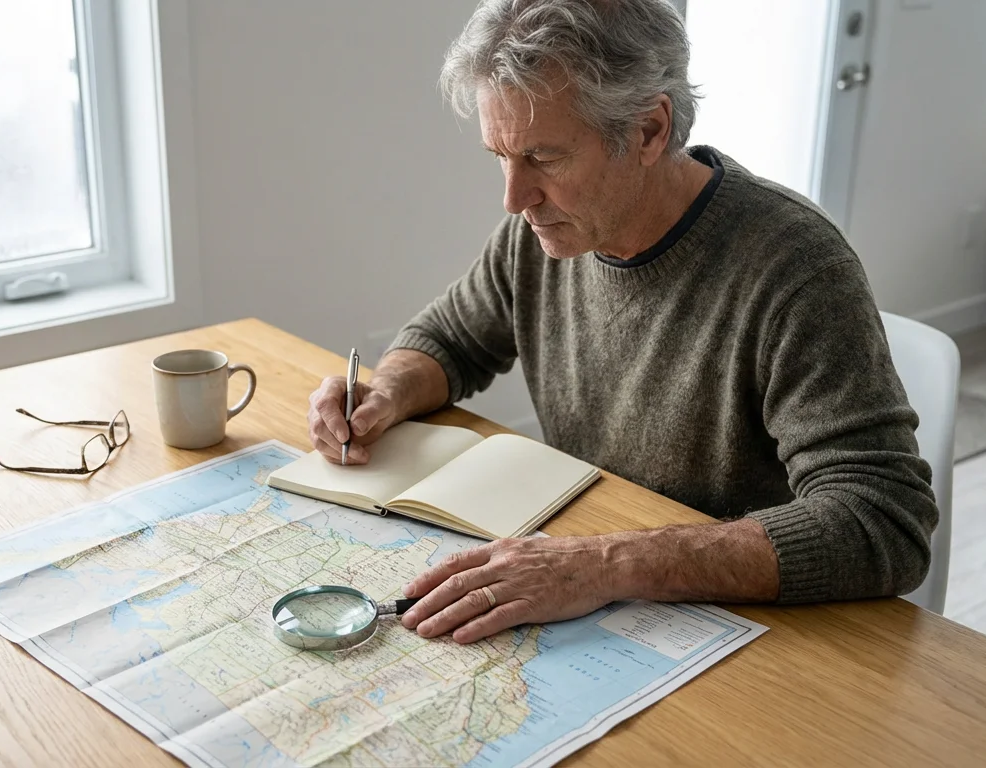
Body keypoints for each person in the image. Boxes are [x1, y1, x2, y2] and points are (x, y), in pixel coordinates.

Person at [305, 0, 937, 645]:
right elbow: (450, 340)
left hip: (744, 628)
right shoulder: (542, 234)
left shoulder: (795, 266)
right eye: (501, 155)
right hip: (598, 586)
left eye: (544, 158)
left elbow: (881, 520)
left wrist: (605, 563)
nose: (514, 198)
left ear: (648, 131)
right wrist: (388, 390)